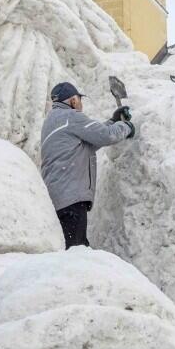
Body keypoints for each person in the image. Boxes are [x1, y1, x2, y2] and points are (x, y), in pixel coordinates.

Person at [39, 81, 135, 249]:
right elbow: (105, 136)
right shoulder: (70, 117)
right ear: (73, 100)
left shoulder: (52, 121)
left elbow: (87, 142)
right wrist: (126, 126)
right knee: (77, 253)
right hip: (71, 199)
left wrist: (112, 121)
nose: (81, 104)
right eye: (79, 99)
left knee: (71, 250)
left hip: (57, 200)